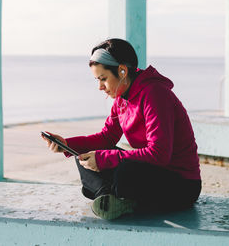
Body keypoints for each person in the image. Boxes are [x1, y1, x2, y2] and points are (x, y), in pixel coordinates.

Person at [41, 38, 201, 220]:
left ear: (122, 71)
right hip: (152, 173)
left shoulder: (155, 94)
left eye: (103, 79)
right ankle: (107, 199)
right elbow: (106, 138)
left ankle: (113, 197)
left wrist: (103, 160)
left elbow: (159, 154)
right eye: (97, 80)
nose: (100, 87)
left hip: (181, 185)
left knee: (126, 171)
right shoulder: (121, 98)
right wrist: (67, 144)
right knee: (84, 154)